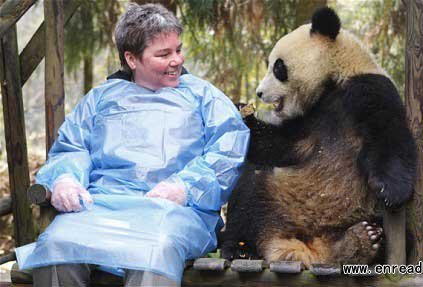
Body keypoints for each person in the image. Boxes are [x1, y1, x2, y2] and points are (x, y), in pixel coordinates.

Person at [15, 3, 250, 287]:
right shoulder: (101, 98)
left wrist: (187, 186)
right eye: (164, 54)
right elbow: (73, 147)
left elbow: (229, 150)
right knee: (55, 246)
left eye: (178, 49)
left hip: (174, 212)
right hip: (99, 208)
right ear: (132, 59)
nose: (177, 60)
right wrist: (65, 179)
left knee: (152, 252)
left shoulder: (204, 97)